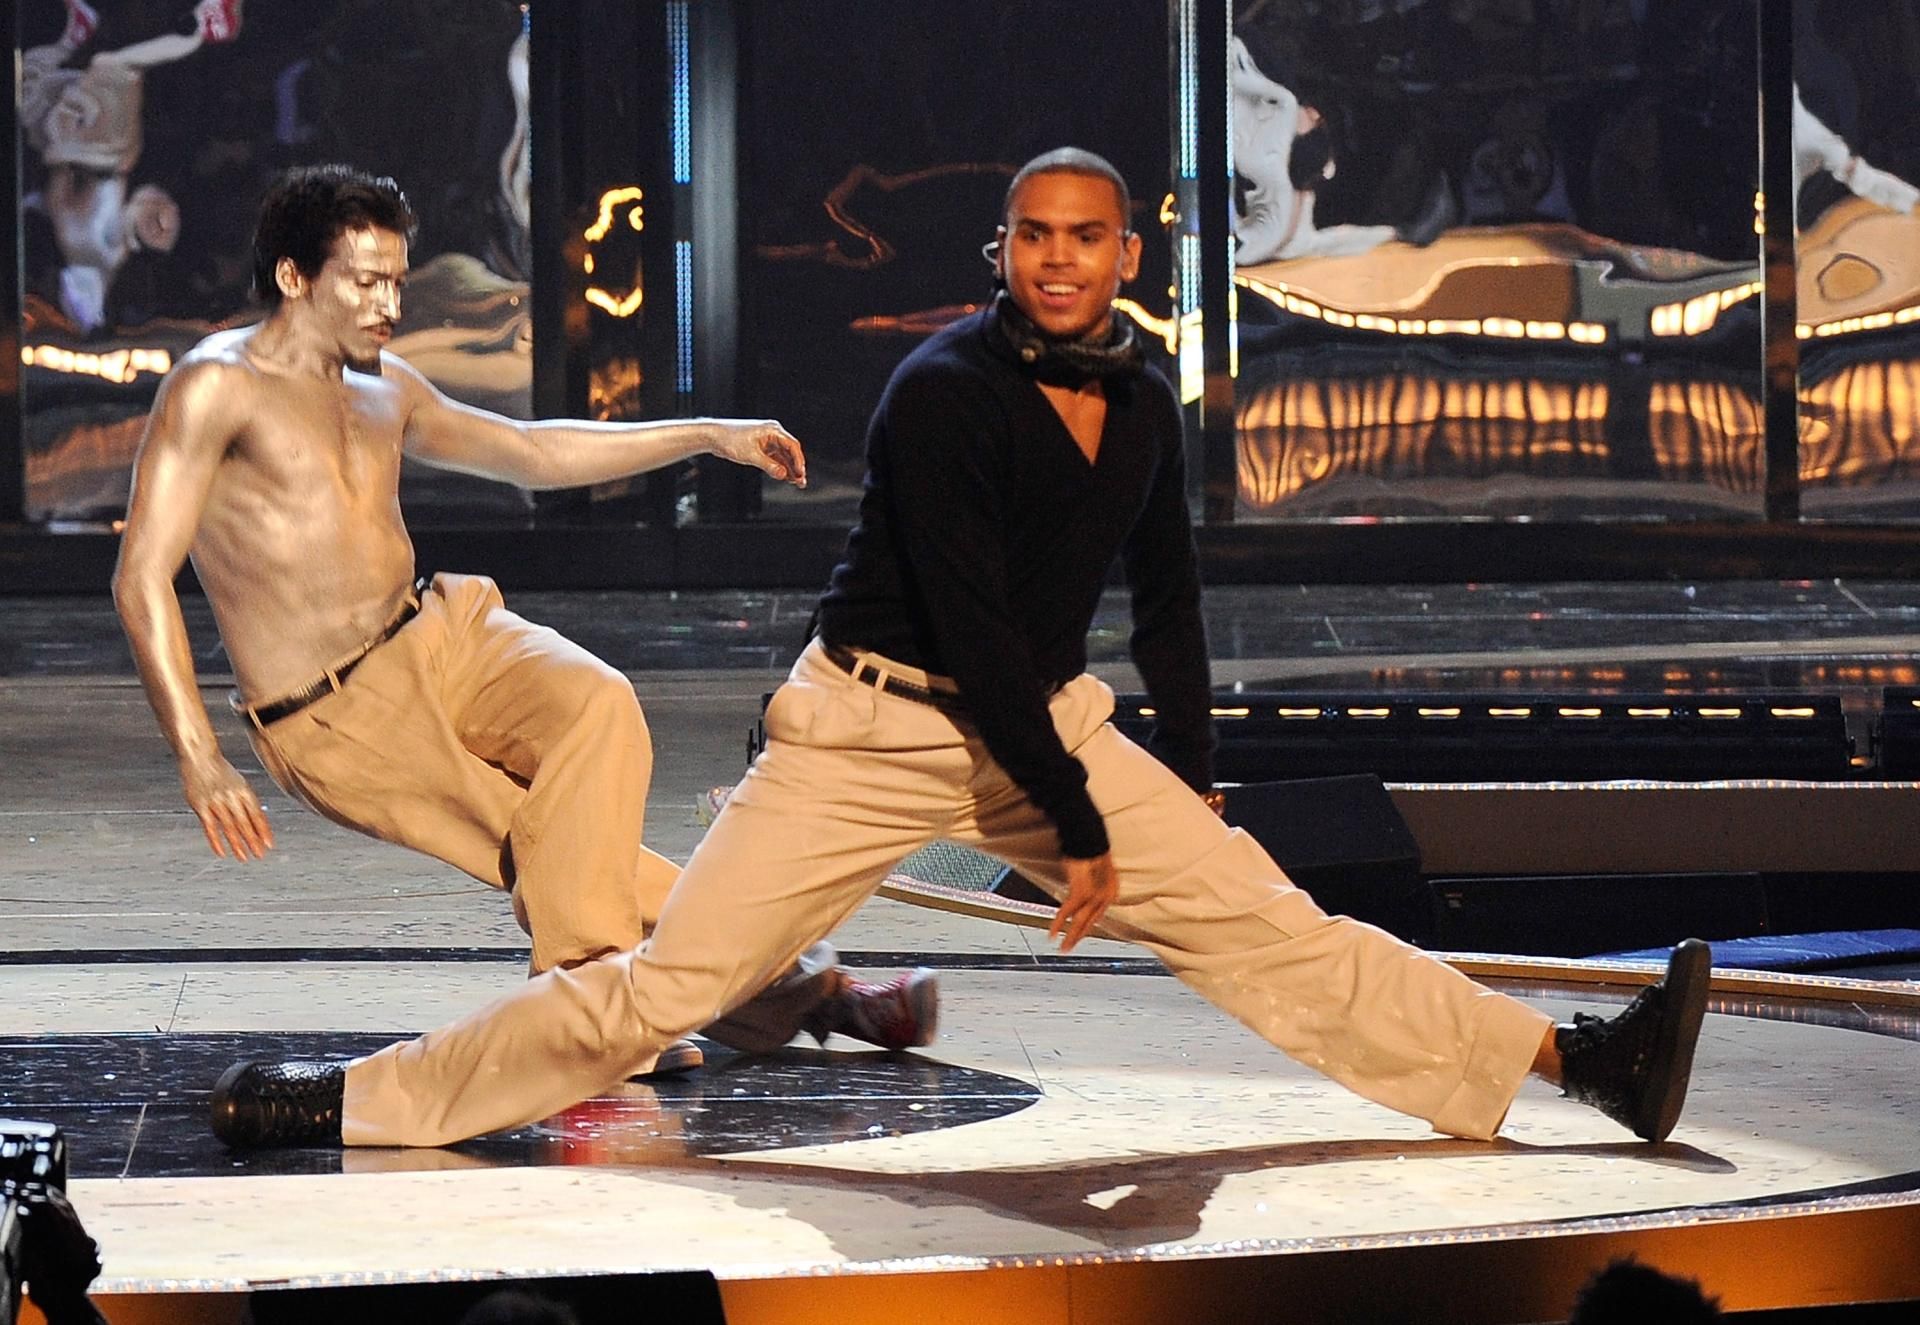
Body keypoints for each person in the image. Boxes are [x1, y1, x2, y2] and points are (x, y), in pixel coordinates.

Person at [205, 148, 1709, 1151]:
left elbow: (1166, 599)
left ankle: (1582, 1062)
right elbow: (975, 627)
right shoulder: (938, 392)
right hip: (864, 734)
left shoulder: (1143, 396)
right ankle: (352, 1102)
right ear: (1004, 251)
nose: (1058, 260)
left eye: (1085, 238)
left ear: (1127, 250)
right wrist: (1077, 829)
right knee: (663, 991)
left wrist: (1191, 774)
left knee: (1268, 922)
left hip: (1040, 728)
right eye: (1033, 237)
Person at [113, 164, 937, 1088]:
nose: (391, 303)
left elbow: (532, 450)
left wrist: (708, 433)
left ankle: (628, 1005)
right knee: (556, 849)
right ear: (294, 276)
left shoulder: (386, 386)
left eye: (398, 279)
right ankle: (777, 993)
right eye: (367, 281)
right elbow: (141, 577)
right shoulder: (214, 387)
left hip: (436, 632)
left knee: (597, 706)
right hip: (332, 709)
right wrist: (198, 755)